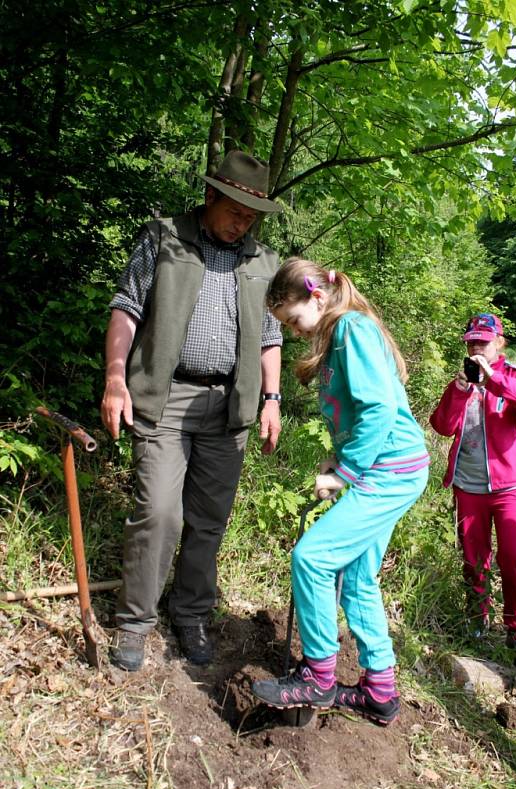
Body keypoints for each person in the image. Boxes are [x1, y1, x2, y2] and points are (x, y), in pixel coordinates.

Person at [101, 150, 283, 671]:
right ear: (210, 197)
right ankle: (135, 622)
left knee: (209, 520)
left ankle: (191, 615)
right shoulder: (163, 238)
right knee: (159, 511)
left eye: (251, 216)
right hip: (166, 396)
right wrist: (116, 379)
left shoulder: (263, 263)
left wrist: (271, 399)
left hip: (232, 405)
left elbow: (271, 337)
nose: (242, 223)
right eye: (235, 211)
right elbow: (126, 308)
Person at [251, 258, 429, 725]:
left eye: (293, 319)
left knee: (311, 559)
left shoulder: (351, 327)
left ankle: (318, 677)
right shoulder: (336, 337)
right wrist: (339, 455)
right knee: (357, 580)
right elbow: (357, 414)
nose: (293, 331)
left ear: (316, 296)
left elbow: (379, 409)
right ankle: (380, 692)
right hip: (388, 467)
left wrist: (345, 473)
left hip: (387, 471)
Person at [430, 313, 516, 669]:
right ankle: (477, 618)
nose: (476, 348)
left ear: (499, 343)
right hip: (468, 484)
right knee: (474, 559)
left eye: (483, 342)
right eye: (472, 342)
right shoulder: (462, 381)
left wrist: (496, 381)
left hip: (510, 484)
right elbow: (442, 426)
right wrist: (460, 390)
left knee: (515, 555)